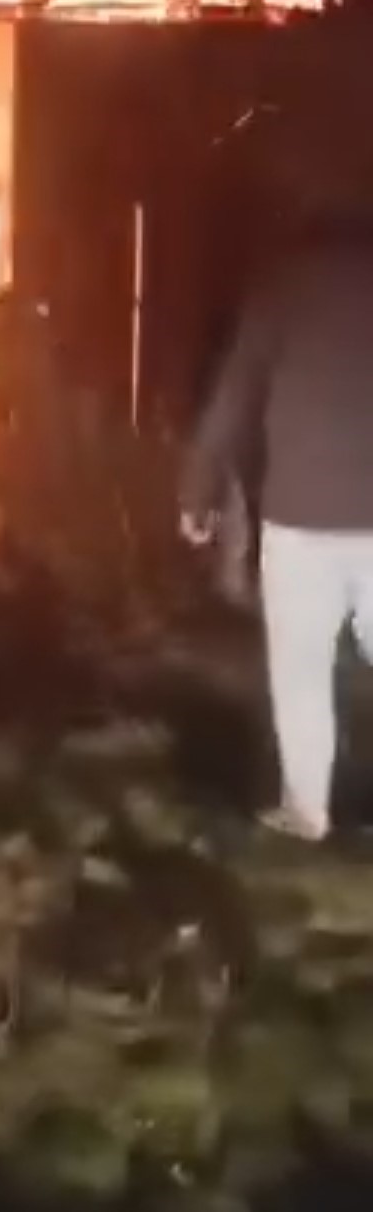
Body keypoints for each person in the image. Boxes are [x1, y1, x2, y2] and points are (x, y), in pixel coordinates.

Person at [179, 203, 373, 842]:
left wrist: (198, 496)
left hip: (301, 515)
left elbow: (233, 397)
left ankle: (307, 810)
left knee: (301, 671)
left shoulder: (283, 288)